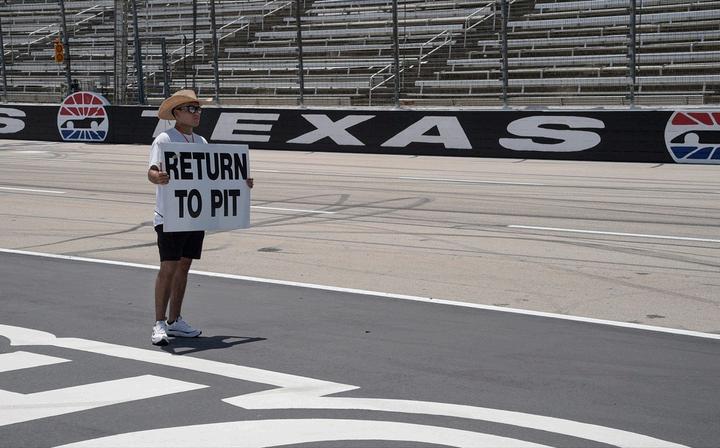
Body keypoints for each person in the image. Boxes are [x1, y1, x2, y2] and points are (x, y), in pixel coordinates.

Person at [147, 89, 253, 346]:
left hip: (194, 216)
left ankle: (175, 320)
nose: (197, 114)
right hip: (170, 215)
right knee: (168, 267)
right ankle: (159, 322)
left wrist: (240, 183)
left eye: (199, 109)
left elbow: (213, 177)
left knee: (184, 266)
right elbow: (151, 171)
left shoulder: (201, 142)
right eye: (192, 109)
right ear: (177, 113)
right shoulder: (164, 139)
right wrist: (158, 177)